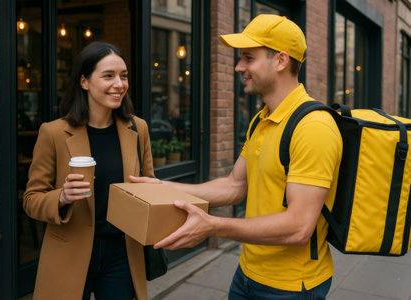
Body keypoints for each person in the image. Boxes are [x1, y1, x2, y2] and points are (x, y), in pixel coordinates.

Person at [131, 14, 343, 299]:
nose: (238, 66)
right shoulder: (262, 119)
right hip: (247, 274)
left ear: (280, 61)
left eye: (248, 58)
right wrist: (165, 187)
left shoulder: (313, 128)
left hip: (291, 286)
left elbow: (299, 227)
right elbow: (234, 186)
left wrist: (214, 226)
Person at [23, 41, 154, 300]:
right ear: (84, 82)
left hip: (122, 253)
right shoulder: (53, 133)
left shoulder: (138, 129)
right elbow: (31, 200)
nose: (119, 84)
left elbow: (150, 186)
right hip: (68, 252)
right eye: (108, 76)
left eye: (123, 76)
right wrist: (61, 197)